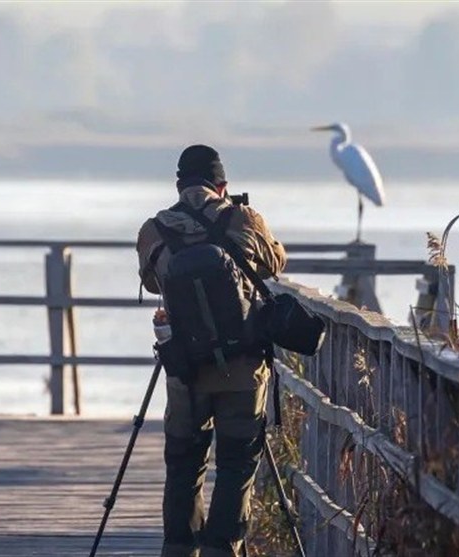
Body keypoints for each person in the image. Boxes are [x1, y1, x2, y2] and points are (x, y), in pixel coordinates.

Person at [136, 145, 287, 557]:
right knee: (237, 463)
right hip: (243, 367)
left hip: (186, 368)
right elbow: (276, 262)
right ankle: (224, 548)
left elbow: (151, 283)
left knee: (184, 463)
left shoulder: (154, 230)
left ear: (179, 185)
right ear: (222, 185)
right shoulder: (243, 219)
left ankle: (179, 549)